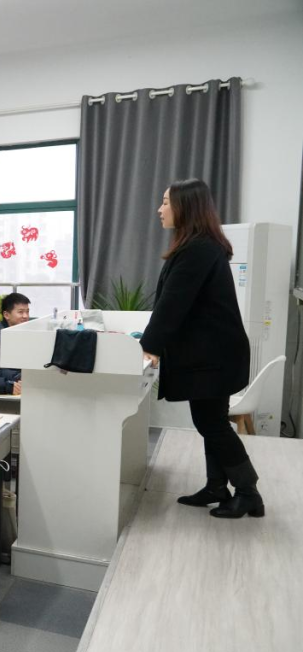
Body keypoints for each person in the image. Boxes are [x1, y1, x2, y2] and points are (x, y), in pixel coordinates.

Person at [141, 178, 261, 519]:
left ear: (185, 207)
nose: (160, 209)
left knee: (211, 424)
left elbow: (172, 304)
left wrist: (150, 345)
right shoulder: (201, 245)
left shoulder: (197, 249)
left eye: (166, 202)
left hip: (214, 357)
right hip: (215, 355)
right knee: (212, 421)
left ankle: (248, 492)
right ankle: (216, 487)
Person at [0, 292, 31, 373]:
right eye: (20, 312)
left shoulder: (18, 332)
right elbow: (11, 369)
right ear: (6, 315)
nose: (25, 316)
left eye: (27, 312)